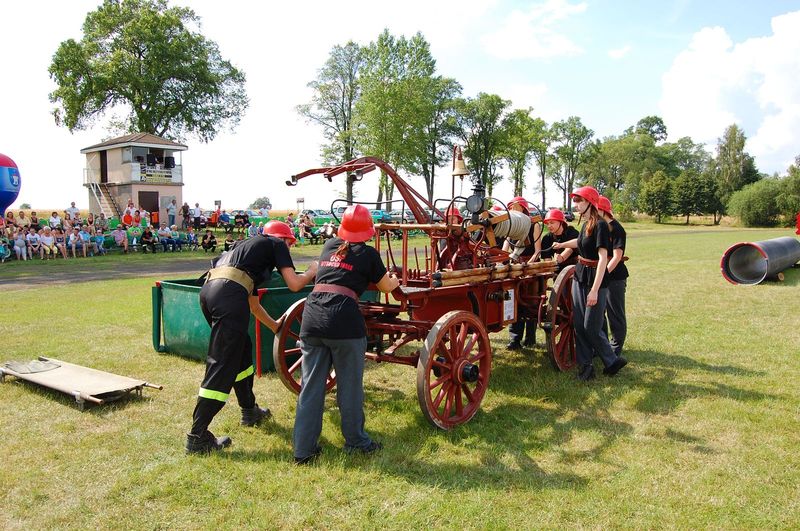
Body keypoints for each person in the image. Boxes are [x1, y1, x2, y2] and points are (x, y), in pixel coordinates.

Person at [186, 220, 318, 454]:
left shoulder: (246, 252)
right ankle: (197, 437)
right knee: (223, 364)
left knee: (242, 351)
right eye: (290, 244)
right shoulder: (276, 244)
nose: (288, 249)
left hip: (210, 293)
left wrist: (276, 326)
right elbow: (295, 284)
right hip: (228, 297)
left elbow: (254, 307)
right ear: (284, 239)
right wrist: (312, 271)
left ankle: (250, 410)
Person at [293, 205, 399, 465]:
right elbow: (385, 286)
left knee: (311, 387)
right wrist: (395, 280)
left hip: (312, 318)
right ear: (368, 231)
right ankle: (356, 442)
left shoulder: (329, 245)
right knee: (349, 388)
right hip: (344, 323)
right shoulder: (369, 254)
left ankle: (303, 451)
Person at [553, 186, 627, 381]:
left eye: (579, 201)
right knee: (579, 324)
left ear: (590, 203)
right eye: (575, 201)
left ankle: (611, 361)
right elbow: (580, 243)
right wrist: (561, 245)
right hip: (579, 275)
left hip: (595, 278)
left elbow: (604, 258)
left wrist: (595, 289)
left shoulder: (601, 225)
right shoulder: (585, 224)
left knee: (591, 326)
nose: (576, 205)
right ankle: (586, 369)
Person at [504, 197, 543, 350]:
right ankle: (515, 340)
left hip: (530, 265)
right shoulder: (511, 226)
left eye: (514, 206)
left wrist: (529, 265)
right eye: (510, 207)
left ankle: (530, 338)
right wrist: (504, 261)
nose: (512, 209)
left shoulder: (534, 225)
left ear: (523, 207)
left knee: (530, 302)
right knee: (514, 302)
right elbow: (505, 248)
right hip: (515, 265)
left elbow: (538, 250)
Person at [597, 196, 628, 357]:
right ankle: (603, 347)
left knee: (615, 313)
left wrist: (603, 274)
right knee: (599, 313)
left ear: (603, 210)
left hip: (615, 277)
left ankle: (615, 348)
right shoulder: (598, 228)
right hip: (601, 275)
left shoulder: (617, 229)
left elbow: (616, 257)